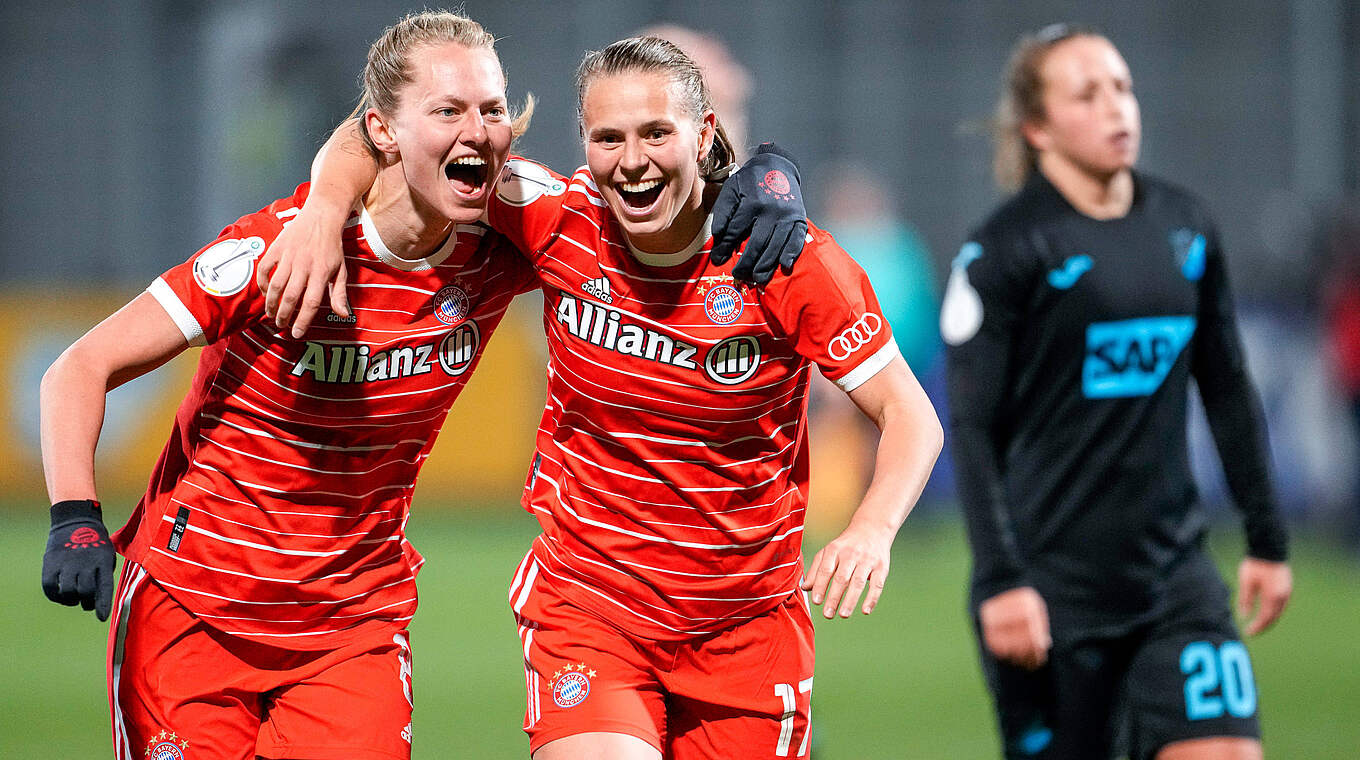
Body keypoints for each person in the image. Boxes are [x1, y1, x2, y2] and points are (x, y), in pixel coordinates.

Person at [37, 13, 801, 759]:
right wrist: (74, 513)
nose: (478, 131)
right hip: (194, 608)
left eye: (493, 110)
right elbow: (80, 367)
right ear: (383, 132)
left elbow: (651, 207)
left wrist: (766, 173)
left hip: (351, 626)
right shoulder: (279, 251)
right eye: (449, 110)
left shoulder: (508, 236)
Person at [266, 35, 942, 760]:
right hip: (591, 606)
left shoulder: (787, 262)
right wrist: (322, 209)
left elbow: (909, 413)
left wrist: (870, 528)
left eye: (656, 133)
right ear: (583, 143)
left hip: (746, 625)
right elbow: (387, 133)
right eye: (608, 138)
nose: (632, 160)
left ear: (706, 131)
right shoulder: (557, 215)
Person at [942, 24, 1293, 760]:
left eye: (1123, 89)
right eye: (1088, 94)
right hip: (1050, 592)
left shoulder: (1184, 226)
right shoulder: (1003, 252)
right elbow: (969, 428)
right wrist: (1002, 580)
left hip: (1175, 579)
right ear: (1037, 127)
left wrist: (1265, 536)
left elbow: (1227, 386)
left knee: (1227, 750)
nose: (1117, 108)